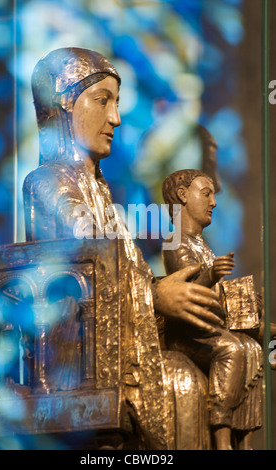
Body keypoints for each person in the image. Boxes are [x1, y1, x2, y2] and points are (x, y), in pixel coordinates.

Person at [23, 48, 224, 449]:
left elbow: (130, 272)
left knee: (222, 360)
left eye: (116, 103)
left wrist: (185, 291)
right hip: (77, 364)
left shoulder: (102, 194)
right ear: (64, 103)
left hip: (116, 352)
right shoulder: (47, 183)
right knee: (180, 381)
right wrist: (154, 297)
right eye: (103, 100)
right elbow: (84, 278)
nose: (115, 118)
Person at [162, 168, 263, 450]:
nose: (214, 202)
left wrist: (247, 304)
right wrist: (211, 274)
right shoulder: (174, 240)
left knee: (252, 349)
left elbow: (216, 298)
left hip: (208, 328)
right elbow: (188, 288)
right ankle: (221, 433)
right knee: (231, 349)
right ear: (183, 196)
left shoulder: (201, 245)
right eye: (206, 194)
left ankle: (244, 440)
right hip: (187, 332)